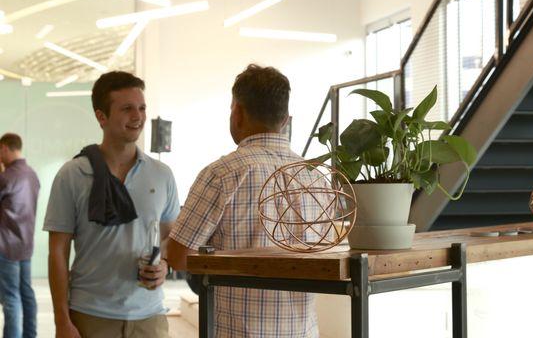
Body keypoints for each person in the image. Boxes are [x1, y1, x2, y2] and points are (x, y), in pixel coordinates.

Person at [167, 64, 319, 338]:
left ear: (237, 112)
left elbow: (178, 257)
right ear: (286, 119)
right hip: (302, 331)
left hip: (238, 331)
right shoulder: (315, 178)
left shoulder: (223, 174)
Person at [44, 71, 180, 338]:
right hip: (90, 316)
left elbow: (169, 237)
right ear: (101, 116)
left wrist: (164, 264)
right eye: (127, 108)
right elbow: (58, 252)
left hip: (150, 318)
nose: (138, 116)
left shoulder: (162, 174)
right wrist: (62, 320)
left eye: (141, 108)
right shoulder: (72, 174)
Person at [0, 133, 40, 338]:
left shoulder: (6, 177)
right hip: (25, 245)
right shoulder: (31, 174)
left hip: (6, 246)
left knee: (10, 299)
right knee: (26, 295)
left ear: (5, 148)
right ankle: (30, 335)